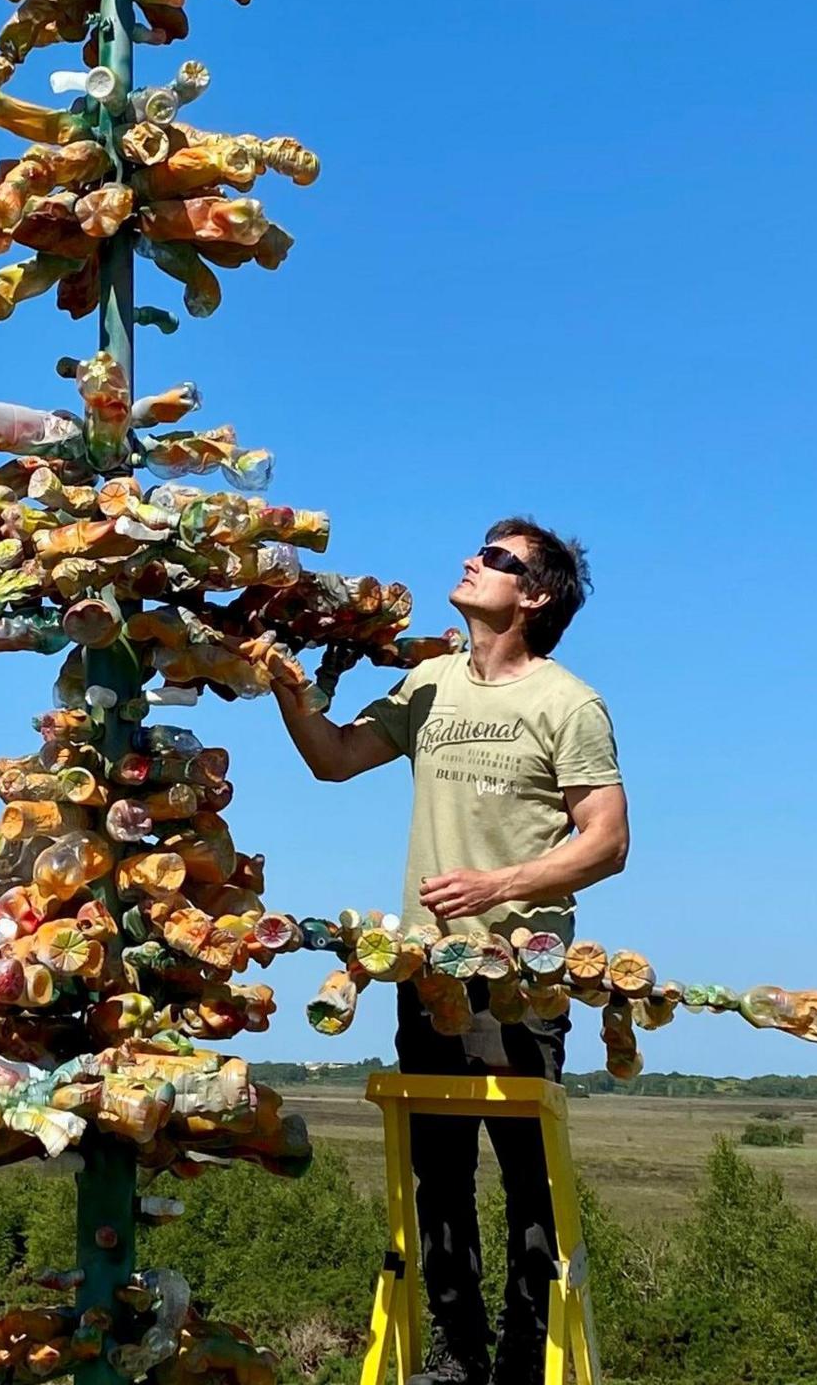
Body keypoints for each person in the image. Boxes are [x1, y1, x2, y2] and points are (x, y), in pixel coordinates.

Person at [277, 517, 629, 1385]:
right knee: (437, 1173)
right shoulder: (429, 685)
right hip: (426, 972)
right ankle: (457, 1358)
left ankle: (522, 1361)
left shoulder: (566, 702)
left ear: (534, 596)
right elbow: (335, 759)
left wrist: (498, 886)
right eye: (480, 549)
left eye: (498, 560)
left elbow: (608, 841)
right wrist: (290, 694)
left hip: (521, 980)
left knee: (528, 1177)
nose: (472, 561)